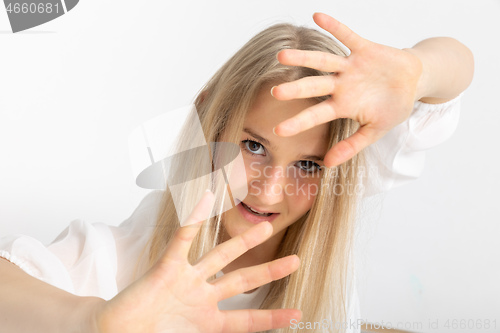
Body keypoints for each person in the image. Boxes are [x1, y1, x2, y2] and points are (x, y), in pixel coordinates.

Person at [0, 12, 473, 333]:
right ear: (210, 119)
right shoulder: (124, 257)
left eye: (306, 163)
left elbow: (453, 74)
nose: (269, 189)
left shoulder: (341, 182)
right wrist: (93, 320)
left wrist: (414, 70)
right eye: (253, 146)